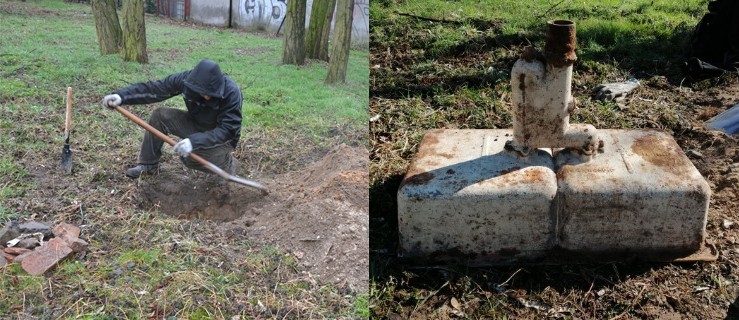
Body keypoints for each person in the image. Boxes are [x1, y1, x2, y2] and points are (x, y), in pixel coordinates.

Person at [102, 59, 242, 178]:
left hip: (221, 138)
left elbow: (228, 131)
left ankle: (228, 164)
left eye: (209, 94)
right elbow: (155, 89)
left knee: (188, 157)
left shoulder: (231, 92)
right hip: (196, 125)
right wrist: (122, 96)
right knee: (160, 115)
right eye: (202, 93)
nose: (206, 97)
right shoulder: (187, 81)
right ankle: (148, 165)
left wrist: (194, 142)